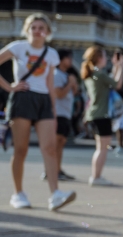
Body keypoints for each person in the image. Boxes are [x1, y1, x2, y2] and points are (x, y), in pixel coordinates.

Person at [0, 13, 77, 210]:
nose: (37, 31)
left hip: (44, 100)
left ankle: (55, 195)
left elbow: (49, 83)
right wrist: (9, 87)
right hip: (23, 97)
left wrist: (52, 108)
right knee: (21, 149)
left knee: (50, 148)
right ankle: (18, 194)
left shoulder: (51, 54)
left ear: (47, 32)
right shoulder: (18, 47)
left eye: (41, 28)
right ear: (27, 30)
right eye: (33, 27)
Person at [82, 45, 123, 186]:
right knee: (102, 149)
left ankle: (96, 176)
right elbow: (117, 84)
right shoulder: (99, 75)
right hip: (102, 115)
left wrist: (116, 66)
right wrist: (122, 66)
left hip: (94, 114)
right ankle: (96, 177)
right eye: (104, 56)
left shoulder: (93, 74)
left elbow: (111, 80)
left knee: (100, 148)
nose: (106, 58)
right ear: (98, 58)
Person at [50, 49, 79, 181]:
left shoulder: (66, 75)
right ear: (61, 60)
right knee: (56, 144)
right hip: (58, 113)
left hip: (66, 113)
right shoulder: (56, 74)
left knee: (61, 143)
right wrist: (69, 84)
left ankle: (57, 169)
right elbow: (59, 94)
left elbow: (73, 93)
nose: (71, 61)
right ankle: (51, 170)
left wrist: (73, 84)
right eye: (68, 58)